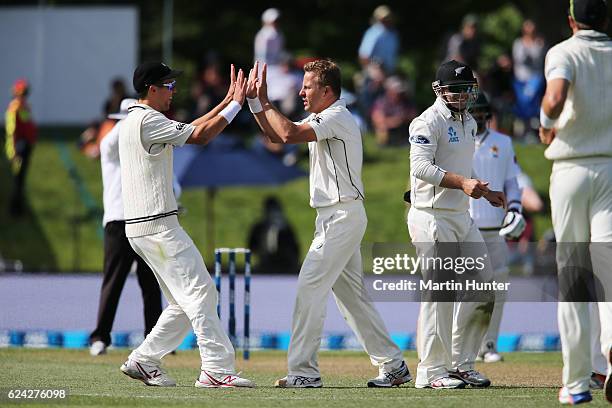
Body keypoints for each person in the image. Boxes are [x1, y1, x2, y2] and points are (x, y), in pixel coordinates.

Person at [246, 59, 410, 388]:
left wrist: (265, 99)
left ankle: (304, 372)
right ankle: (393, 365)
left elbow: (288, 132)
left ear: (327, 90)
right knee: (352, 299)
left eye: (307, 87)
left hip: (342, 215)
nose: (301, 91)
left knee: (310, 287)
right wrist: (253, 102)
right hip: (335, 217)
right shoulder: (323, 117)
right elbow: (275, 136)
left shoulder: (336, 117)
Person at [117, 61, 254, 388]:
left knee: (184, 301)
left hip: (142, 227)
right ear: (152, 88)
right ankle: (216, 370)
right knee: (201, 292)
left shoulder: (135, 120)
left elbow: (191, 127)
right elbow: (201, 136)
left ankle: (144, 359)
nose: (173, 91)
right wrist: (237, 104)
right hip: (158, 226)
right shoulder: (149, 120)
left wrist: (226, 101)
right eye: (168, 85)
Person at [407, 60, 505, 389]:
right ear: (440, 90)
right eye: (457, 90)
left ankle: (462, 364)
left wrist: (485, 191)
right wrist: (463, 183)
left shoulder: (470, 124)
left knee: (484, 286)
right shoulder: (427, 121)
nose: (463, 96)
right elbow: (421, 167)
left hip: (461, 216)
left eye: (467, 90)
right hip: (431, 216)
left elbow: (462, 166)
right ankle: (431, 373)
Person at [538, 0, 611, 404]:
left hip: (571, 167)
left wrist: (546, 127)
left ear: (571, 21)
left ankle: (577, 384)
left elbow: (554, 99)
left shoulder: (564, 51)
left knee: (574, 272)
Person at [89, 98, 163, 356]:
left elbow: (168, 181)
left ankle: (154, 339)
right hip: (118, 221)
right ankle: (100, 337)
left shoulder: (143, 147)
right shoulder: (111, 144)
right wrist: (132, 120)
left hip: (144, 220)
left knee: (151, 283)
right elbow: (107, 143)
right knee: (114, 280)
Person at [468, 93, 525, 363]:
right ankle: (463, 349)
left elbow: (512, 181)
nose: (478, 117)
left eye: (482, 113)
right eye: (473, 112)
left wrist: (515, 209)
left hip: (494, 230)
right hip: (465, 228)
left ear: (488, 115)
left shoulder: (503, 142)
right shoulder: (457, 141)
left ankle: (488, 345)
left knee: (497, 289)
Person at [5, 79, 37, 216]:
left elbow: (27, 123)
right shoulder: (15, 107)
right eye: (23, 92)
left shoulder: (22, 105)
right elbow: (12, 130)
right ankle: (15, 210)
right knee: (18, 179)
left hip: (25, 145)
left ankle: (18, 207)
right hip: (19, 147)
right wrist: (13, 151)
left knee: (21, 179)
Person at [247, 196, 300, 274]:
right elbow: (252, 246)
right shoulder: (259, 227)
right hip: (264, 265)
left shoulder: (287, 229)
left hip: (286, 266)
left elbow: (295, 250)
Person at [512, 20, 546, 139]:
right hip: (520, 80)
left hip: (534, 78)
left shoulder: (539, 43)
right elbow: (520, 60)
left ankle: (532, 130)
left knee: (531, 102)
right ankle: (524, 130)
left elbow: (538, 60)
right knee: (523, 105)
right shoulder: (518, 43)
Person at [370, 76, 417, 146]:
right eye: (396, 91)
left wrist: (404, 118)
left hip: (403, 127)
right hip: (388, 128)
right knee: (381, 128)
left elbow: (414, 115)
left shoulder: (405, 102)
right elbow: (377, 120)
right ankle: (384, 145)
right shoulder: (381, 102)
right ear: (389, 91)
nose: (399, 94)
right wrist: (396, 121)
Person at [358, 5, 400, 75]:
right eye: (384, 18)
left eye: (387, 18)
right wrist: (372, 71)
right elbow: (364, 55)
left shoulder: (393, 35)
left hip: (390, 73)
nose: (386, 20)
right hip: (375, 72)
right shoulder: (373, 33)